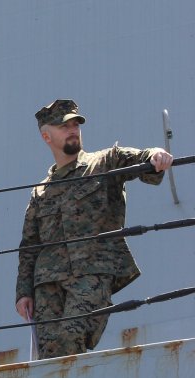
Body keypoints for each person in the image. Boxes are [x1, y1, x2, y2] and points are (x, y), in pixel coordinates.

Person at [15, 98, 173, 358]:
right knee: (47, 354)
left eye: (76, 124)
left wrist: (155, 155)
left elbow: (140, 158)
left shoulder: (105, 162)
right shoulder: (41, 191)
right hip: (47, 284)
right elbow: (29, 247)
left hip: (91, 274)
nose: (73, 129)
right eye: (64, 126)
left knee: (71, 338)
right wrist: (23, 293)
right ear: (47, 136)